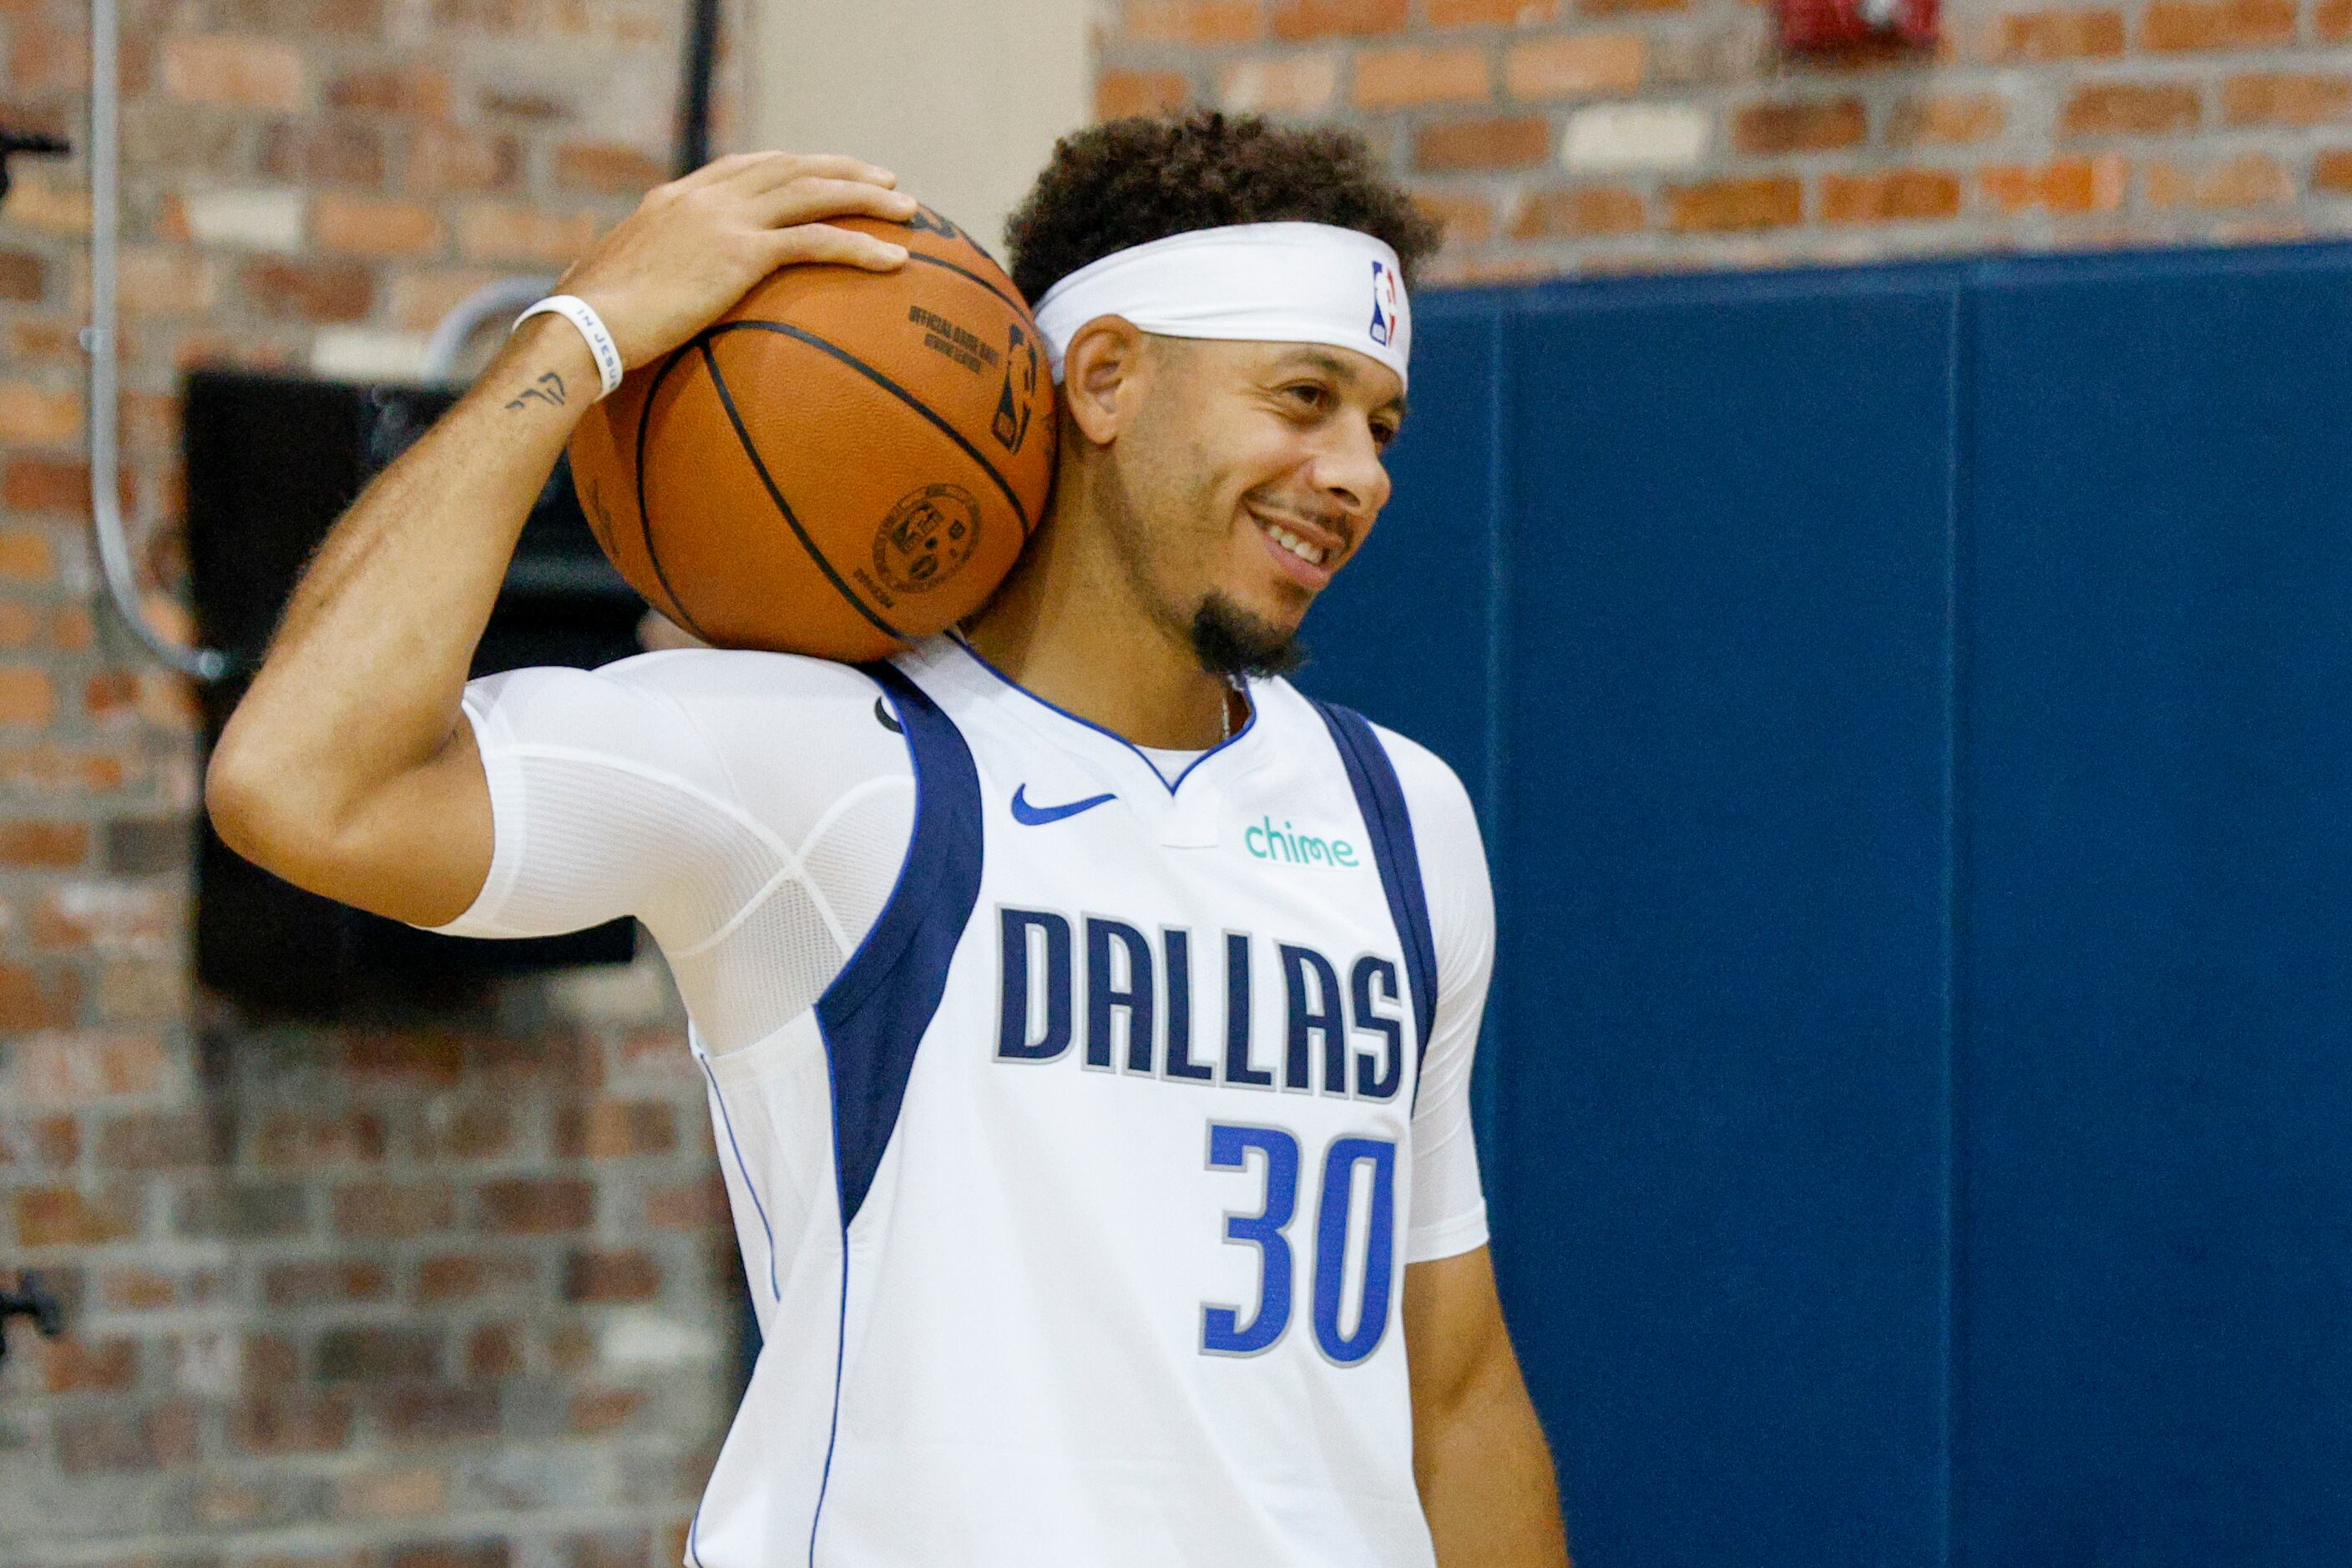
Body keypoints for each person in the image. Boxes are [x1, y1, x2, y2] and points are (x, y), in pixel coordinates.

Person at [205, 110, 1570, 1566]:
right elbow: (300, 782)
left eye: (1380, 424)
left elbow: (1456, 1384)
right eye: (1302, 397)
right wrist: (583, 332)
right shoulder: (823, 765)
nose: (1355, 470)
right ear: (1103, 378)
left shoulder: (1400, 815)